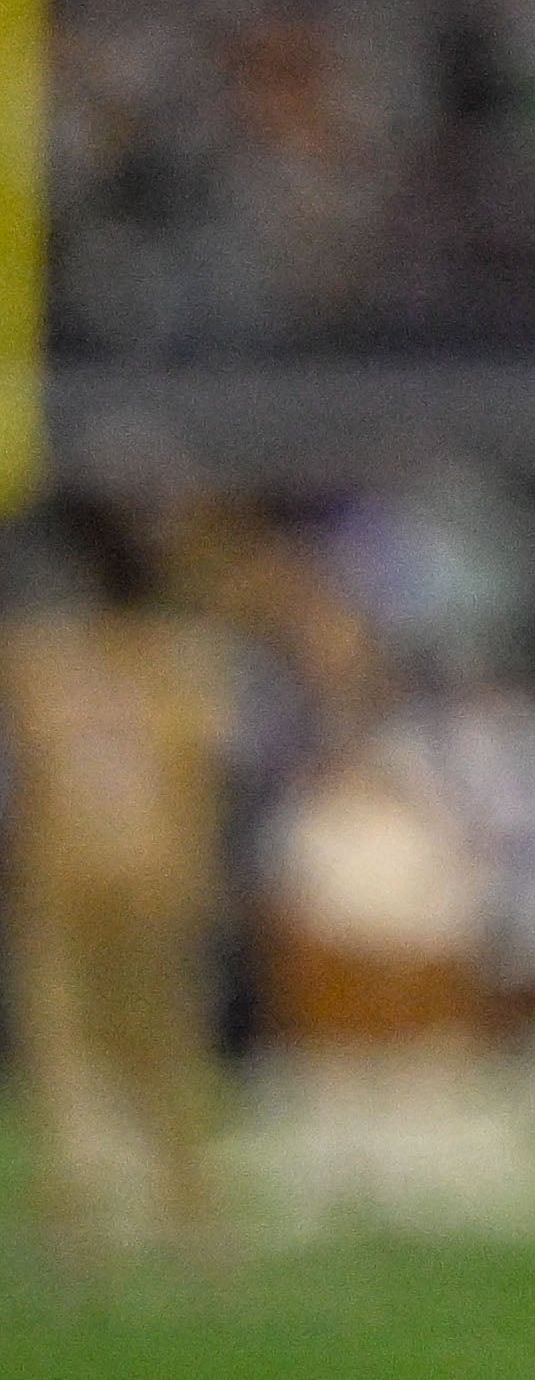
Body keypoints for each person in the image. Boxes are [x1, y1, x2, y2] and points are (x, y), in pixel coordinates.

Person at [3, 498, 243, 1272]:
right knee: (158, 1049)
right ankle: (181, 1208)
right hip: (145, 875)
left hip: (67, 875)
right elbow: (194, 785)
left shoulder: (42, 662)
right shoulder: (178, 666)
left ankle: (88, 1214)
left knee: (71, 1050)